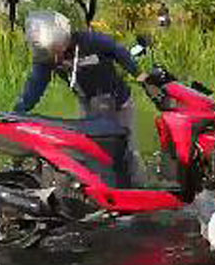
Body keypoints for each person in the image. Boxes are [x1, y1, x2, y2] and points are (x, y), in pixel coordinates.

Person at [14, 10, 147, 185]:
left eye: (58, 51)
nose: (57, 56)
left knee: (125, 149)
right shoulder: (47, 58)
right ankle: (101, 189)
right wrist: (20, 110)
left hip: (119, 102)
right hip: (89, 103)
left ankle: (138, 189)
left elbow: (118, 51)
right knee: (92, 149)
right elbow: (35, 86)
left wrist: (139, 74)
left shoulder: (91, 41)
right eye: (52, 52)